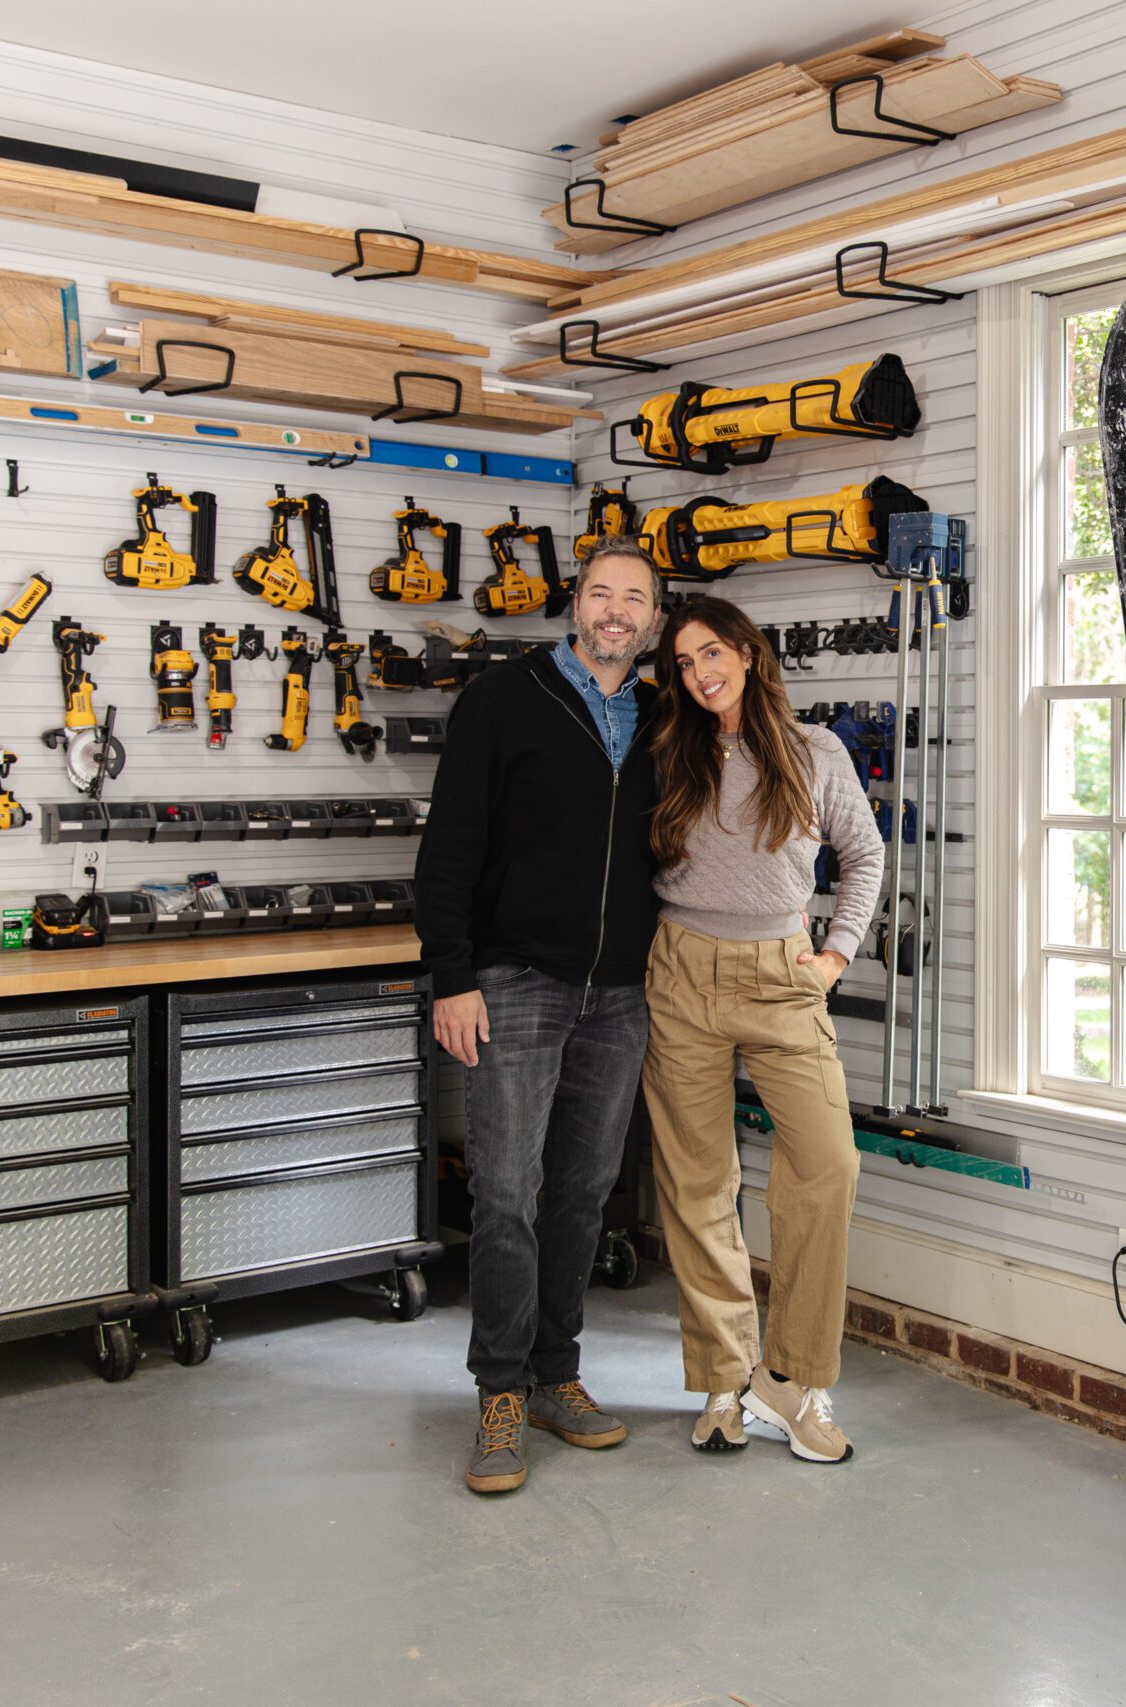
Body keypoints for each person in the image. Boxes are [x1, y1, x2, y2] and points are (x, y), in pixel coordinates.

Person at [413, 537, 663, 1495]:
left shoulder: (660, 716)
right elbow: (449, 851)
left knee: (582, 1191)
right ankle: (500, 1393)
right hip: (512, 981)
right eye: (601, 592)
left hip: (621, 992)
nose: (614, 611)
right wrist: (453, 974)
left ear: (651, 619)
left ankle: (558, 1372)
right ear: (575, 604)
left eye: (632, 598)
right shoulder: (501, 700)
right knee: (507, 1191)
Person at [644, 595, 885, 1463]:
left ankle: (790, 1382)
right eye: (683, 662)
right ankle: (722, 1379)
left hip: (785, 975)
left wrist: (835, 956)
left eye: (712, 653)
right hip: (683, 972)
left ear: (748, 653)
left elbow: (865, 856)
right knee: (699, 1180)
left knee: (828, 1163)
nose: (701, 673)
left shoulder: (816, 752)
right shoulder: (668, 750)